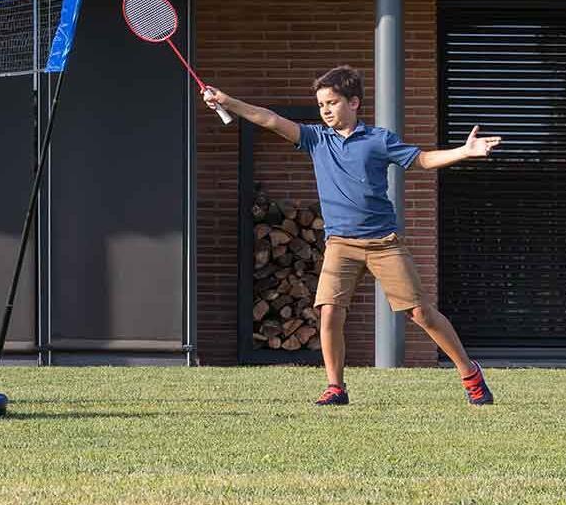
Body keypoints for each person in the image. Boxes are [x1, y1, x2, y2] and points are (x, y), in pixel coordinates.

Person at [204, 66, 499, 405]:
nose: (325, 110)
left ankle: (469, 373)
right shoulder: (316, 139)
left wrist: (464, 151)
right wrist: (228, 101)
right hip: (340, 244)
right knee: (328, 310)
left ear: (354, 102)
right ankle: (335, 387)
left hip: (383, 243)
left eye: (332, 102)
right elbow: (269, 119)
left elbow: (422, 160)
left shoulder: (378, 140)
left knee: (420, 313)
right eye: (320, 105)